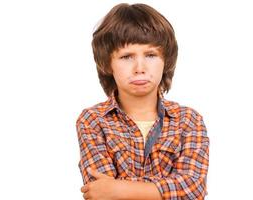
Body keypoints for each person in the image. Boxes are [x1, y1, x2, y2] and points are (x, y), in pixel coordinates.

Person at [76, 3, 209, 200]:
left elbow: (192, 189)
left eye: (151, 55)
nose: (140, 67)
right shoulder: (92, 120)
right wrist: (166, 190)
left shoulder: (188, 120)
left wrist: (119, 190)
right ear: (108, 64)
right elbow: (99, 193)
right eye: (126, 56)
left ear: (166, 61)